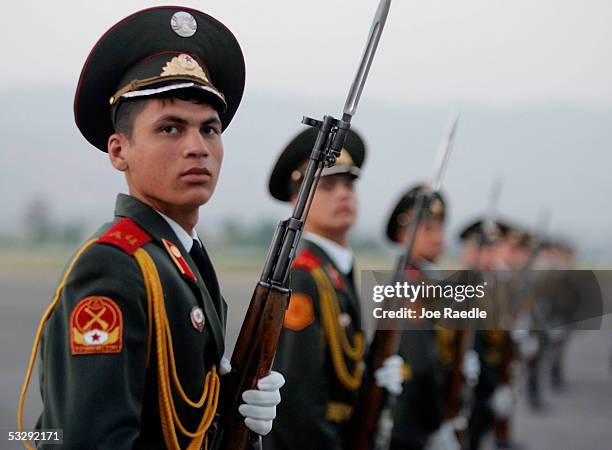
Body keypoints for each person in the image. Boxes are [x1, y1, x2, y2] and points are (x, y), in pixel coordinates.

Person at [18, 7, 284, 449]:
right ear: (120, 151)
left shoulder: (183, 259)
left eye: (210, 129)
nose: (197, 148)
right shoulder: (114, 265)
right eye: (170, 128)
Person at [264, 128, 404, 450]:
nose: (343, 194)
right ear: (297, 200)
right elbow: (298, 401)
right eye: (327, 185)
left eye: (349, 183)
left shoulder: (335, 270)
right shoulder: (304, 277)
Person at [385, 185, 480, 450]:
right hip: (413, 420)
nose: (437, 237)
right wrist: (439, 421)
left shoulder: (430, 280)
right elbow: (423, 363)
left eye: (439, 228)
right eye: (427, 229)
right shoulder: (410, 284)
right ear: (404, 235)